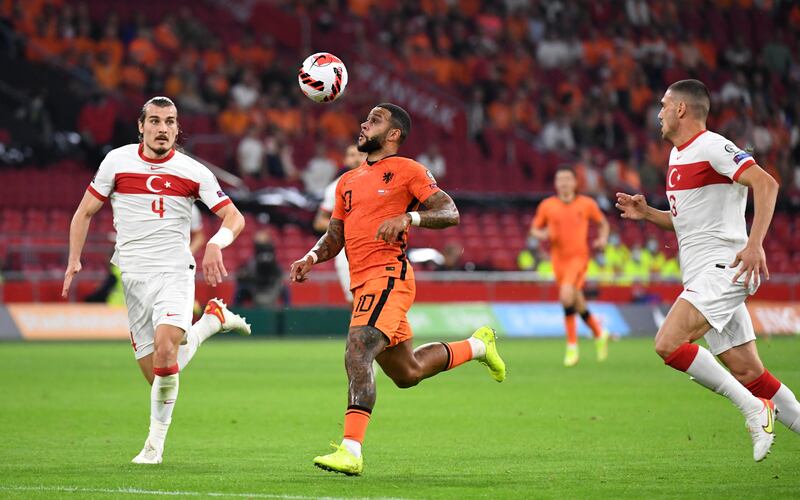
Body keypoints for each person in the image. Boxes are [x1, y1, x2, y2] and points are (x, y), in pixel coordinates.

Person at [290, 103, 506, 476]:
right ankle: (477, 346)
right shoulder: (347, 182)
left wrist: (410, 216)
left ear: (393, 135)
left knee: (358, 349)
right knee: (408, 373)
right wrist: (310, 257)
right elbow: (334, 236)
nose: (363, 123)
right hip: (364, 283)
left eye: (374, 120)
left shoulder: (409, 170)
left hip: (388, 276)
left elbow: (449, 211)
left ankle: (351, 450)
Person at [616, 79, 800, 462]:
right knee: (749, 370)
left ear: (682, 109)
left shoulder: (712, 146)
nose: (659, 112)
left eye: (664, 104)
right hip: (704, 274)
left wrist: (755, 243)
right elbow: (689, 223)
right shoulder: (678, 156)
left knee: (667, 343)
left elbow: (766, 185)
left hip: (724, 268)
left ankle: (754, 410)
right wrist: (648, 213)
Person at [62, 96, 253, 466]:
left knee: (167, 353)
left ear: (178, 128)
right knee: (159, 376)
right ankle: (212, 321)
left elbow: (234, 218)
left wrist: (215, 243)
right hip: (134, 277)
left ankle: (153, 446)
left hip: (174, 273)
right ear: (141, 126)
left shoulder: (193, 171)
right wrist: (74, 259)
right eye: (154, 121)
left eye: (169, 121)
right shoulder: (116, 162)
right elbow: (84, 212)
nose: (162, 128)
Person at [530, 167, 611, 367]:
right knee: (576, 301)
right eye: (560, 179)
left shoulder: (587, 204)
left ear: (575, 183)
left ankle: (572, 347)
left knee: (566, 296)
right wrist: (543, 235)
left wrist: (602, 239)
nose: (564, 183)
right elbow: (534, 229)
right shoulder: (547, 206)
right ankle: (600, 334)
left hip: (578, 259)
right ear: (556, 184)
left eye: (567, 179)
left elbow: (603, 224)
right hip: (558, 261)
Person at [312, 144, 366, 304]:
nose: (356, 158)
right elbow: (319, 222)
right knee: (354, 299)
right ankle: (359, 328)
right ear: (345, 160)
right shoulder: (334, 187)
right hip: (347, 248)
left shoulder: (381, 182)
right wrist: (346, 225)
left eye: (361, 154)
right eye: (351, 155)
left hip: (374, 245)